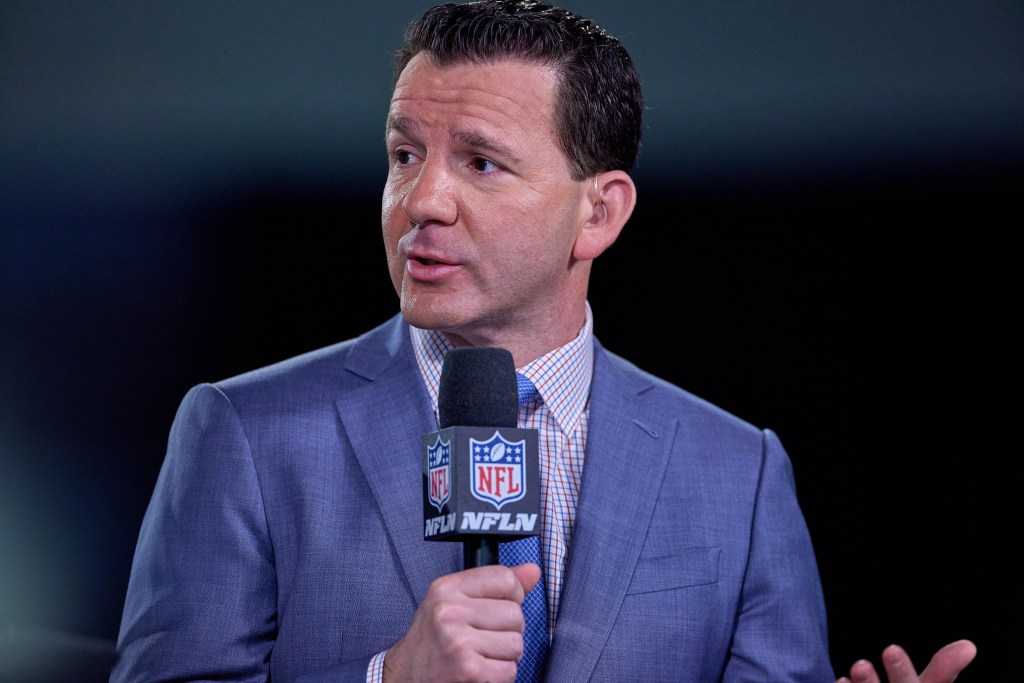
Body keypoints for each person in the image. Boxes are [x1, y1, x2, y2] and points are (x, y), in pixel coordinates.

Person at [110, 1, 977, 682]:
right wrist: (387, 677)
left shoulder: (736, 472)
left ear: (598, 212)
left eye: (480, 162)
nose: (422, 202)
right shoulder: (243, 432)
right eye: (404, 155)